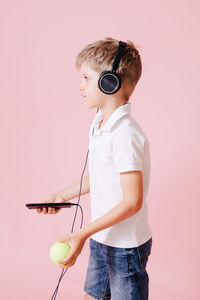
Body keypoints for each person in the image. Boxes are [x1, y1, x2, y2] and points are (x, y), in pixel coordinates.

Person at [37, 37, 153, 300]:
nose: (80, 87)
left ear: (109, 82)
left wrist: (79, 234)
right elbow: (103, 176)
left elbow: (132, 202)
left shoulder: (125, 134)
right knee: (92, 295)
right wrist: (61, 196)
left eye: (87, 78)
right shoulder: (100, 124)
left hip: (125, 247)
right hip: (101, 237)